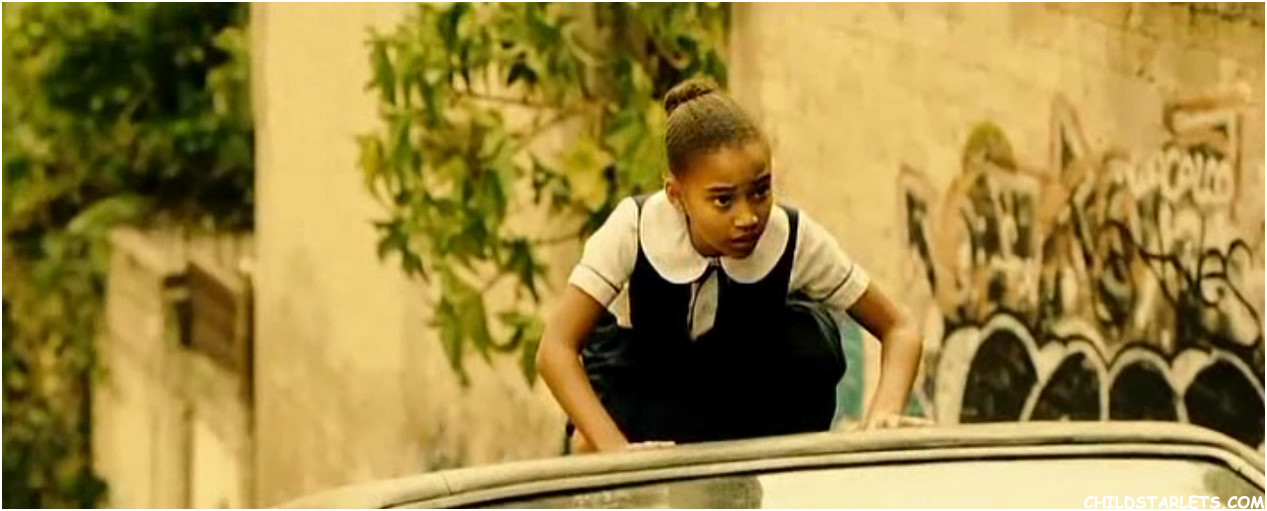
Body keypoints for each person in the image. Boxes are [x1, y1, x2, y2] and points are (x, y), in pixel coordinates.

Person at [536, 77, 924, 453]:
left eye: (760, 191)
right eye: (723, 200)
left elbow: (899, 328)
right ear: (676, 195)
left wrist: (883, 417)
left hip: (736, 396)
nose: (748, 217)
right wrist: (615, 449)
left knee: (810, 338)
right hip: (645, 390)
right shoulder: (634, 228)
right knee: (590, 434)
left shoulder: (790, 236)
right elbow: (555, 348)